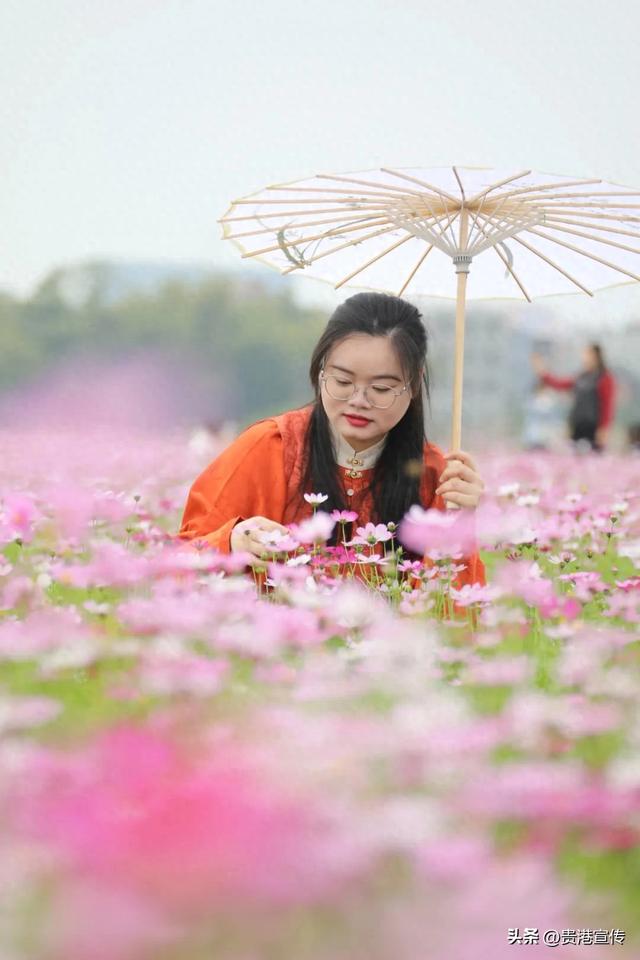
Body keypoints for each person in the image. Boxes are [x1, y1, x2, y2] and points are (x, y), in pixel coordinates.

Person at [179, 292, 486, 590]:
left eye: (380, 388)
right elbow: (175, 564)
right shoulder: (269, 448)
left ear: (414, 384)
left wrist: (460, 522)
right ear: (320, 369)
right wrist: (231, 541)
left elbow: (454, 620)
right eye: (342, 381)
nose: (358, 400)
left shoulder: (437, 477)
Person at [530, 344, 616, 452]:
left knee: (593, 457)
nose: (584, 357)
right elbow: (560, 384)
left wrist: (604, 428)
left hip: (594, 426)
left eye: (587, 354)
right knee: (576, 458)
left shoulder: (605, 378)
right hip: (578, 425)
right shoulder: (581, 376)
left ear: (596, 356)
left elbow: (607, 405)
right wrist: (543, 373)